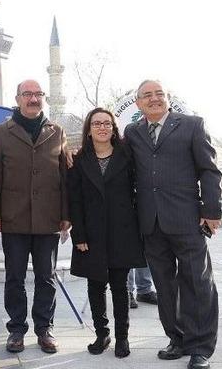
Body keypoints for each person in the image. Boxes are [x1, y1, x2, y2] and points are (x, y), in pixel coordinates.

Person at [123, 80, 222, 369]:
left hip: (187, 219)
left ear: (168, 99)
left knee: (197, 282)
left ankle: (200, 347)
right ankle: (177, 339)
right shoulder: (133, 132)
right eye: (147, 96)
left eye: (159, 94)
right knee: (164, 286)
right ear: (139, 103)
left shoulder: (191, 125)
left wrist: (211, 210)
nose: (154, 99)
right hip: (151, 223)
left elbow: (208, 169)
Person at [0, 79, 69, 354]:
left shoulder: (57, 132)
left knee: (47, 276)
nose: (33, 99)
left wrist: (66, 214)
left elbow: (65, 176)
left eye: (37, 94)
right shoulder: (1, 132)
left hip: (49, 218)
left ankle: (44, 328)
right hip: (14, 217)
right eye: (27, 94)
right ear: (18, 97)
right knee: (15, 277)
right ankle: (17, 330)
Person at [67, 108, 147, 358]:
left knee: (120, 288)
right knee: (95, 286)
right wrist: (78, 235)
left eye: (107, 123)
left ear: (113, 128)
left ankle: (122, 337)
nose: (102, 127)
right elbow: (75, 201)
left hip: (122, 232)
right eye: (96, 124)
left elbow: (139, 193)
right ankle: (102, 334)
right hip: (91, 234)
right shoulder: (79, 160)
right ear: (89, 130)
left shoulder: (127, 156)